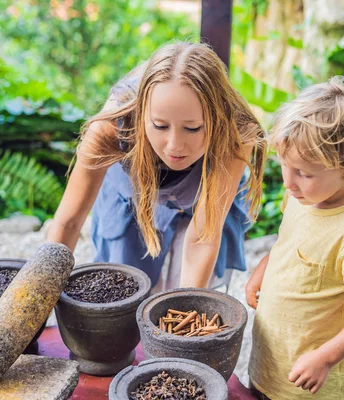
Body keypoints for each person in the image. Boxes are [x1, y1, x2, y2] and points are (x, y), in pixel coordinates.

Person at [46, 41, 267, 292]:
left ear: (217, 120)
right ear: (141, 116)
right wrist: (42, 294)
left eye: (193, 128)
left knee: (188, 298)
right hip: (131, 198)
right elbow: (69, 222)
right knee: (125, 292)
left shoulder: (237, 132)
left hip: (202, 199)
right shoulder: (110, 128)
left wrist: (184, 309)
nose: (174, 146)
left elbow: (204, 237)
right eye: (160, 126)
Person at [246, 77, 344, 399]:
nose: (288, 182)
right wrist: (262, 271)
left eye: (304, 172)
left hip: (309, 380)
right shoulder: (305, 196)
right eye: (284, 166)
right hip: (271, 361)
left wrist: (325, 358)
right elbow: (288, 244)